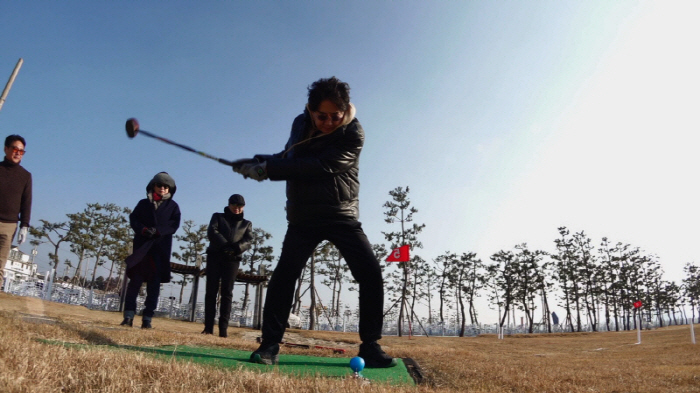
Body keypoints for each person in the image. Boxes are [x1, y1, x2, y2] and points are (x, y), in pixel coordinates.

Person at [233, 77, 396, 368]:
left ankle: (370, 345)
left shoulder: (354, 133)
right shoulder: (300, 123)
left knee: (370, 274)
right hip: (303, 216)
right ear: (310, 110)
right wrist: (255, 161)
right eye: (323, 116)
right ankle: (269, 345)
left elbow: (322, 167)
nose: (330, 122)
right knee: (284, 277)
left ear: (346, 111)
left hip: (340, 213)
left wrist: (268, 169)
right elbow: (289, 157)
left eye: (337, 115)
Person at [121, 172, 181, 329]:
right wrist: (143, 229)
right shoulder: (143, 203)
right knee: (134, 283)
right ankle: (128, 316)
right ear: (153, 186)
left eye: (166, 186)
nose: (162, 188)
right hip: (142, 249)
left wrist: (158, 231)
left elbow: (174, 225)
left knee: (153, 286)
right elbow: (134, 219)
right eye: (159, 185)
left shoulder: (173, 207)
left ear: (170, 189)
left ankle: (147, 318)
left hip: (159, 250)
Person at [202, 193, 253, 338]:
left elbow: (248, 240)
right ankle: (208, 328)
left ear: (243, 207)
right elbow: (212, 231)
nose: (237, 208)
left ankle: (223, 330)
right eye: (234, 205)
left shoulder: (246, 224)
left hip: (232, 260)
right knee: (211, 291)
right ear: (229, 205)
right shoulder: (217, 217)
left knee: (227, 293)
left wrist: (236, 249)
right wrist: (225, 246)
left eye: (240, 206)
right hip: (215, 256)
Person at [0, 135, 32, 288]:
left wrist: (24, 226)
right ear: (6, 149)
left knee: (0, 264)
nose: (18, 153)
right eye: (15, 149)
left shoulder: (25, 176)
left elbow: (26, 203)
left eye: (21, 151)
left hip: (9, 225)